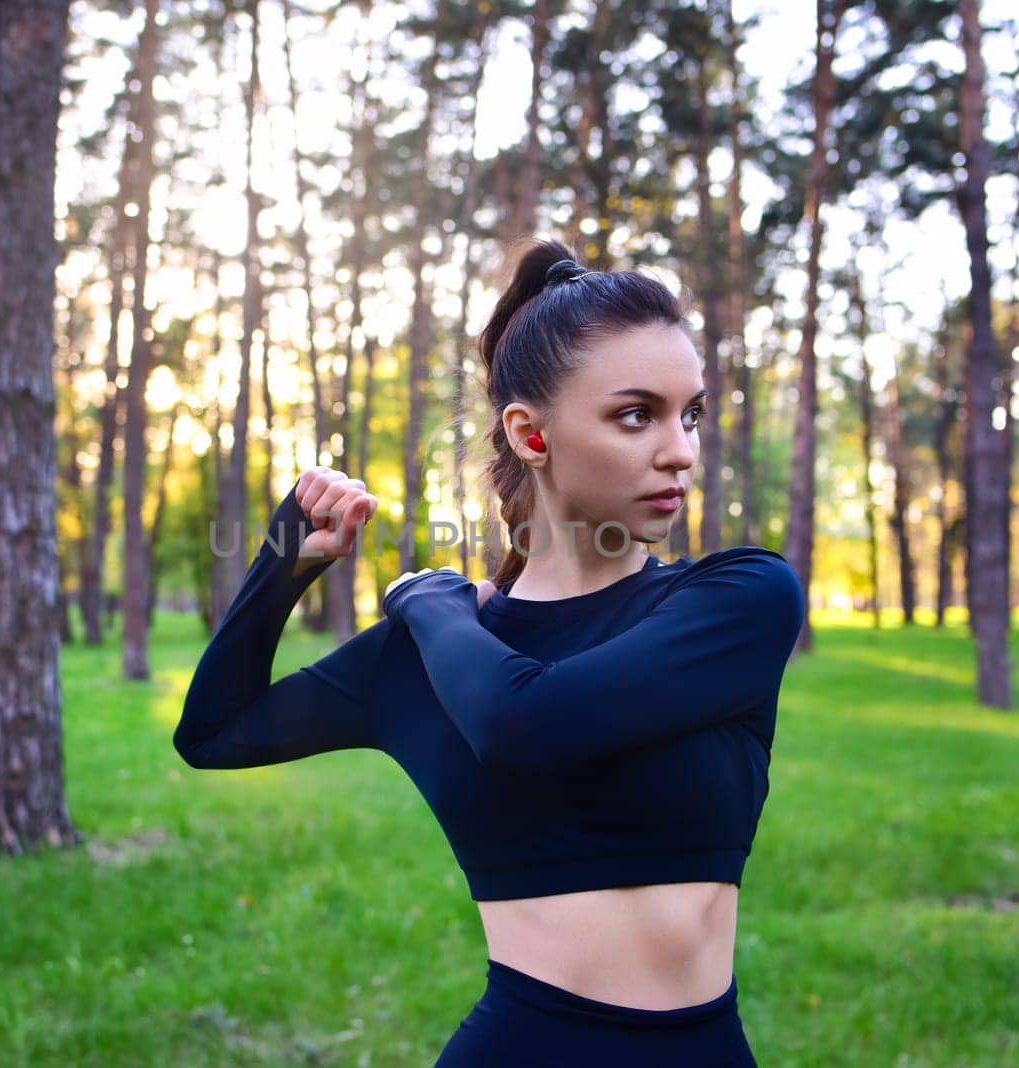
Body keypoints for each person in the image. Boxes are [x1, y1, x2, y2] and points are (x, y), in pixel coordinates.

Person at [175, 237, 805, 1066]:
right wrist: (286, 558)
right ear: (531, 436)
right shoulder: (441, 651)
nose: (682, 450)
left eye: (689, 414)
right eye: (635, 414)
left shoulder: (736, 599)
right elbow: (215, 733)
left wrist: (426, 605)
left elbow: (524, 723)